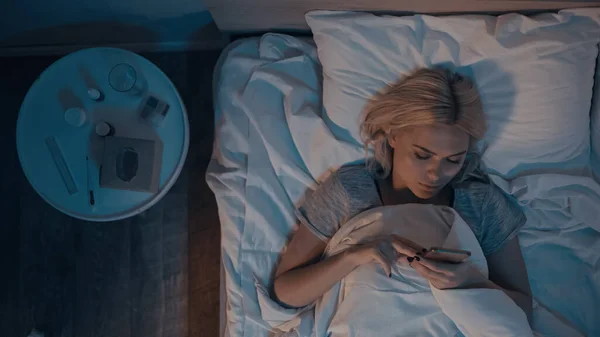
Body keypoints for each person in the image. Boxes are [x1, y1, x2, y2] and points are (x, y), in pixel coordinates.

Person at [271, 67, 533, 321]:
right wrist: (353, 255)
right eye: (422, 155)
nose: (435, 174)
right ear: (393, 136)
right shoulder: (351, 191)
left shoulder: (482, 204)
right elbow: (286, 292)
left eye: (453, 160)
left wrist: (470, 281)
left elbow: (523, 313)